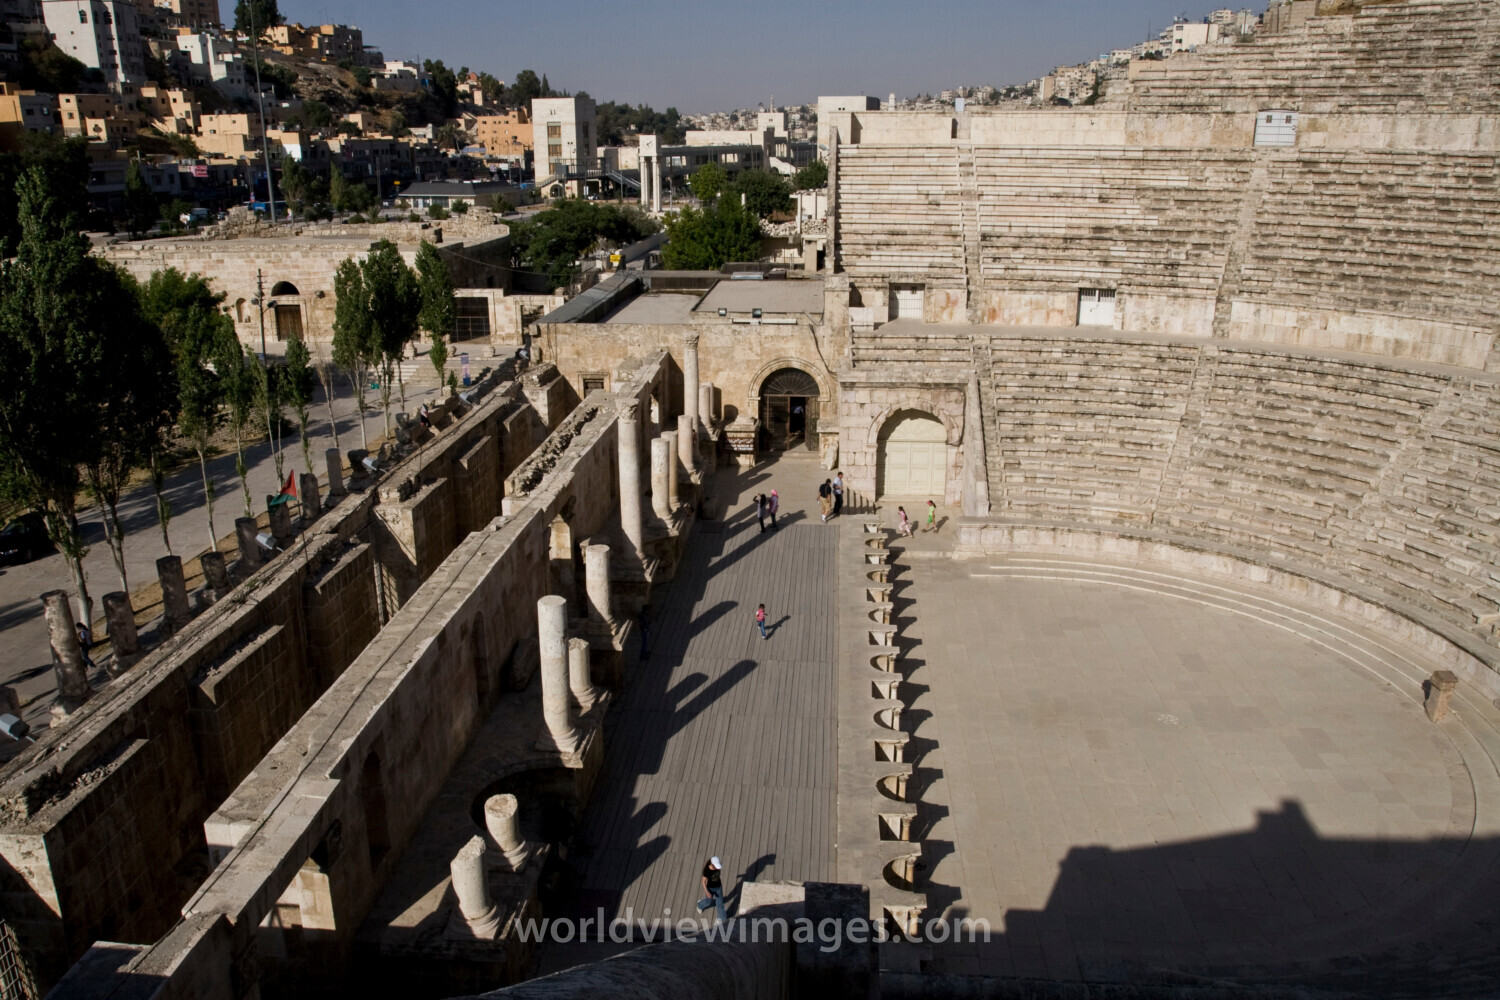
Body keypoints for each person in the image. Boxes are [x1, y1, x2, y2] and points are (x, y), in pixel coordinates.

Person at [697, 856, 727, 924]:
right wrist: (707, 892)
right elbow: (703, 882)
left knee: (720, 904)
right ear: (712, 864)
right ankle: (699, 905)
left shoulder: (718, 867)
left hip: (718, 887)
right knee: (708, 901)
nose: (717, 868)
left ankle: (722, 920)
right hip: (710, 888)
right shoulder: (707, 870)